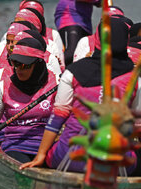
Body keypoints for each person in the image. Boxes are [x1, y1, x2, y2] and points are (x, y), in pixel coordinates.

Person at [20, 17, 141, 174]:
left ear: (97, 40)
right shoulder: (135, 79)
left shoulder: (73, 72)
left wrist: (41, 155)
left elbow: (58, 116)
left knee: (54, 150)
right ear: (126, 42)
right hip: (116, 165)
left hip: (70, 159)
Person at [0, 37, 58, 163]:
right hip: (15, 147)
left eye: (24, 65)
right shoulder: (4, 87)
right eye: (15, 63)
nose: (19, 69)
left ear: (38, 64)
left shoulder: (56, 84)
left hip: (49, 146)